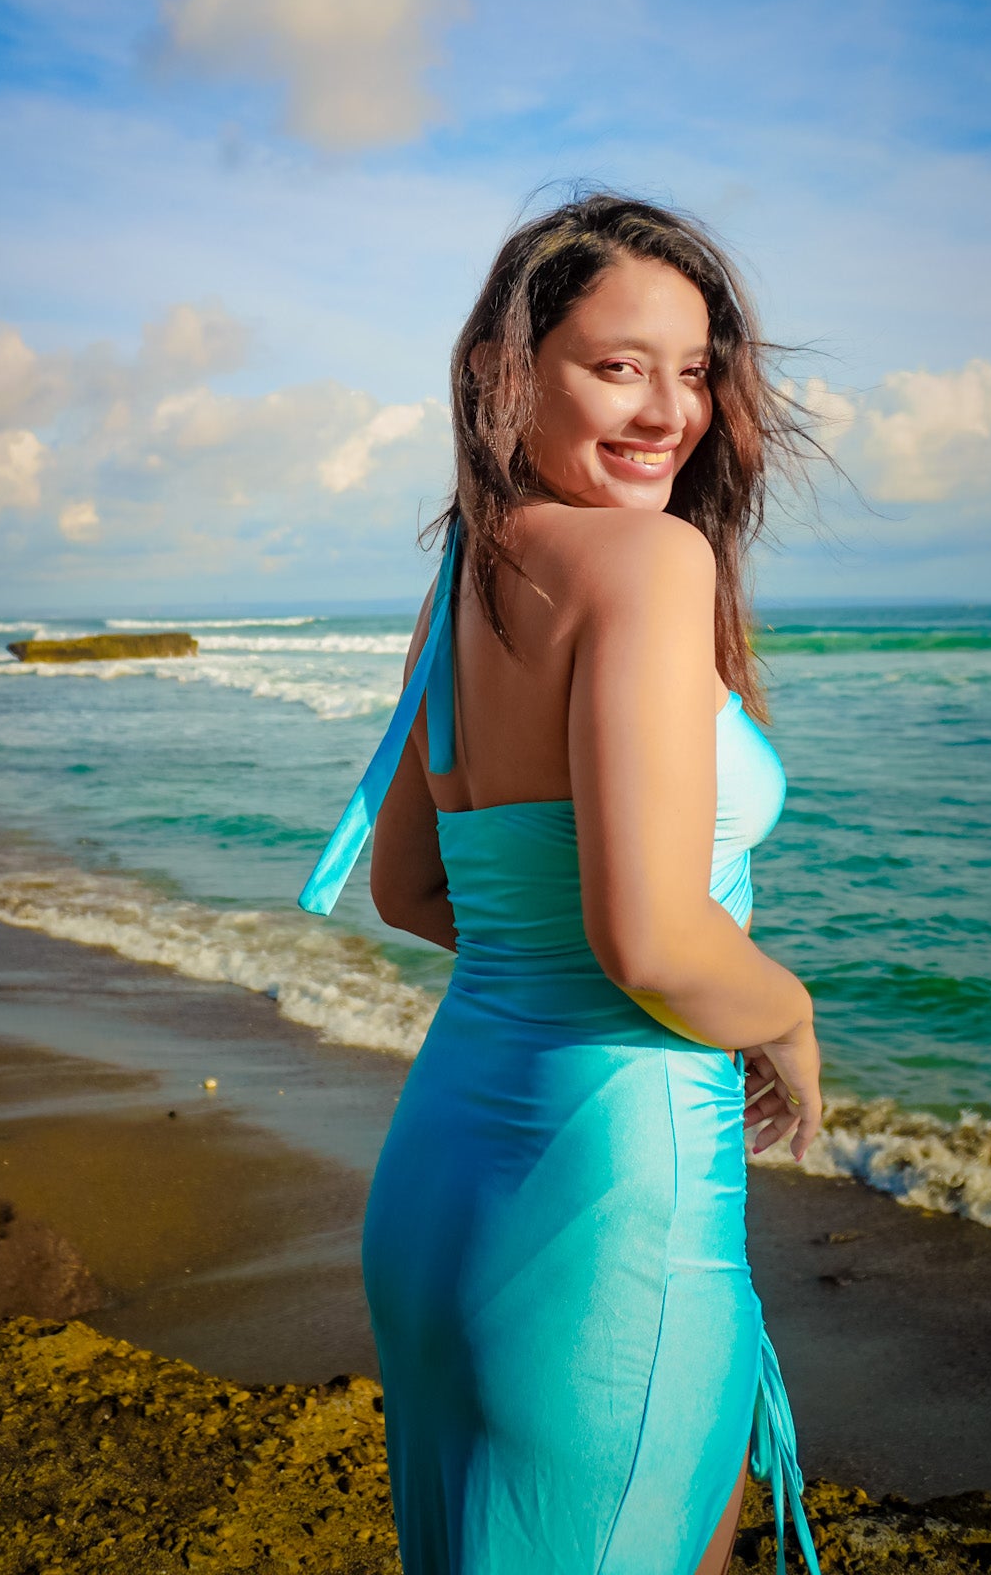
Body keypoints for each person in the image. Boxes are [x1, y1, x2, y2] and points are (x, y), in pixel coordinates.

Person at [300, 194, 824, 1575]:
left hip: (443, 1177)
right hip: (614, 1188)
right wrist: (784, 1010)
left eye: (697, 370)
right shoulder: (651, 560)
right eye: (619, 365)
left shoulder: (468, 573)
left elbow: (409, 887)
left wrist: (544, 961)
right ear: (506, 373)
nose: (670, 411)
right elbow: (651, 940)